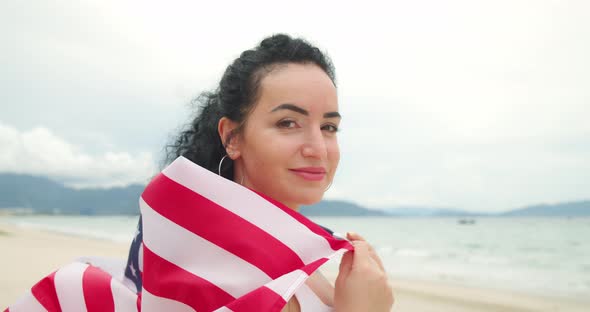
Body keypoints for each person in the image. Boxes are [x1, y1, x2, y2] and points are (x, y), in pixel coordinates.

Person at [133, 33, 394, 311]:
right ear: (232, 137)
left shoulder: (285, 253)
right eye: (288, 123)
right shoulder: (224, 274)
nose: (318, 149)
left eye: (328, 127)